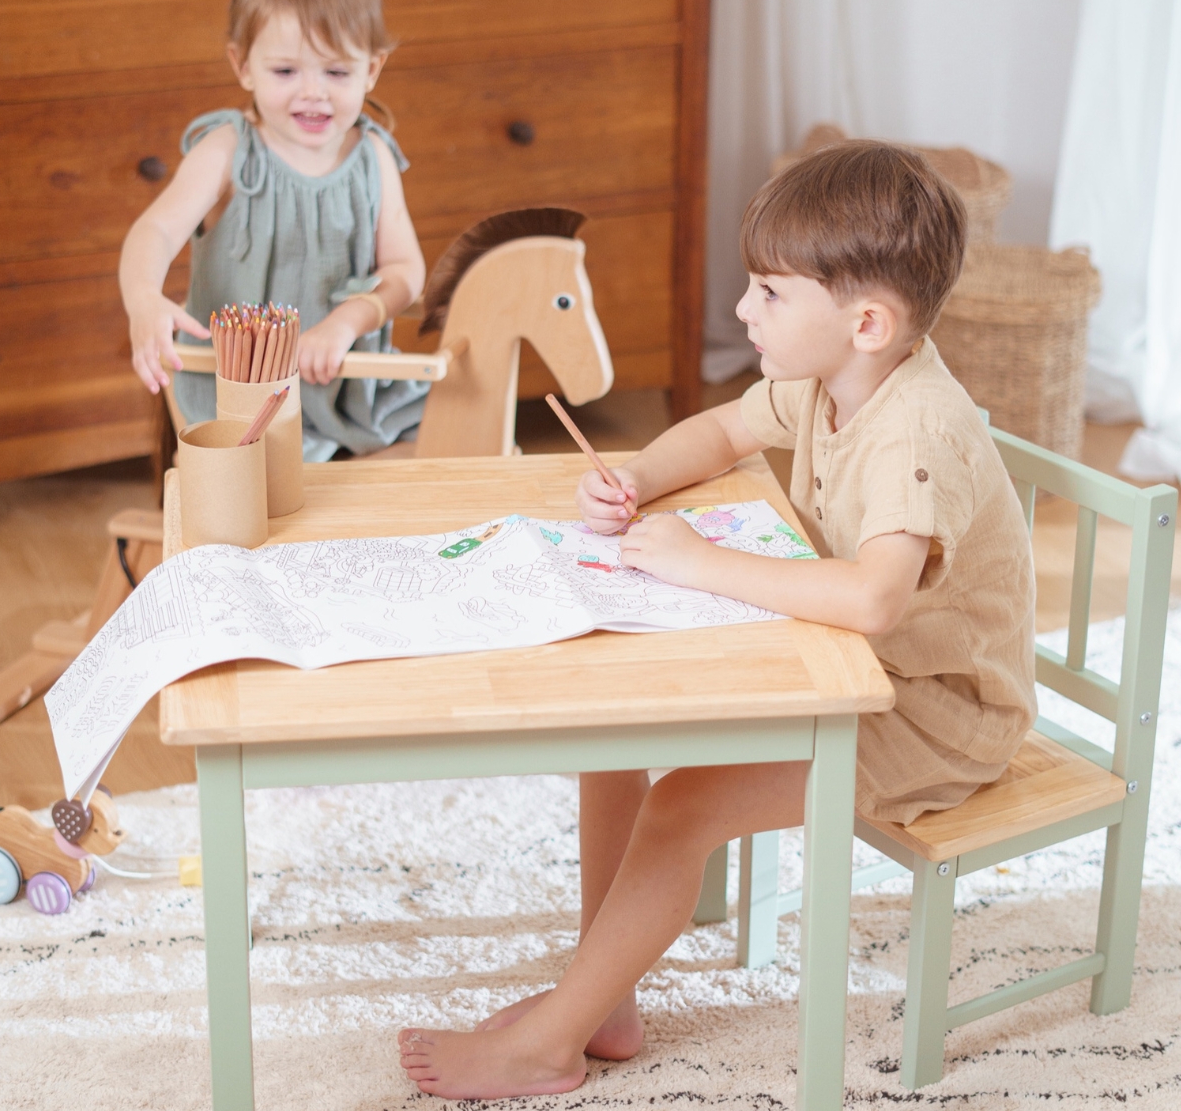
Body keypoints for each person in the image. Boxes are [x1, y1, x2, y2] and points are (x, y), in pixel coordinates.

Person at [397, 140, 1037, 1098]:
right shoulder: (834, 378)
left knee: (681, 806)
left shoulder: (915, 429)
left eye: (769, 294)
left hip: (931, 715)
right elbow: (729, 428)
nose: (743, 309)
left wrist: (704, 563)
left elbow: (871, 598)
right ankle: (599, 996)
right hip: (851, 671)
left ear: (865, 322)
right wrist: (638, 478)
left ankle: (549, 1044)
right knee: (614, 734)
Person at [120, 0, 428, 459]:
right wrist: (143, 299)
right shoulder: (229, 151)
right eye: (286, 72)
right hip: (242, 396)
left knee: (458, 433)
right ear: (243, 66)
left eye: (336, 72)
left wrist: (345, 324)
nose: (313, 92)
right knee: (271, 483)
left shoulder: (372, 155)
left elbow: (406, 270)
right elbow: (156, 231)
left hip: (349, 386)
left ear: (371, 70)